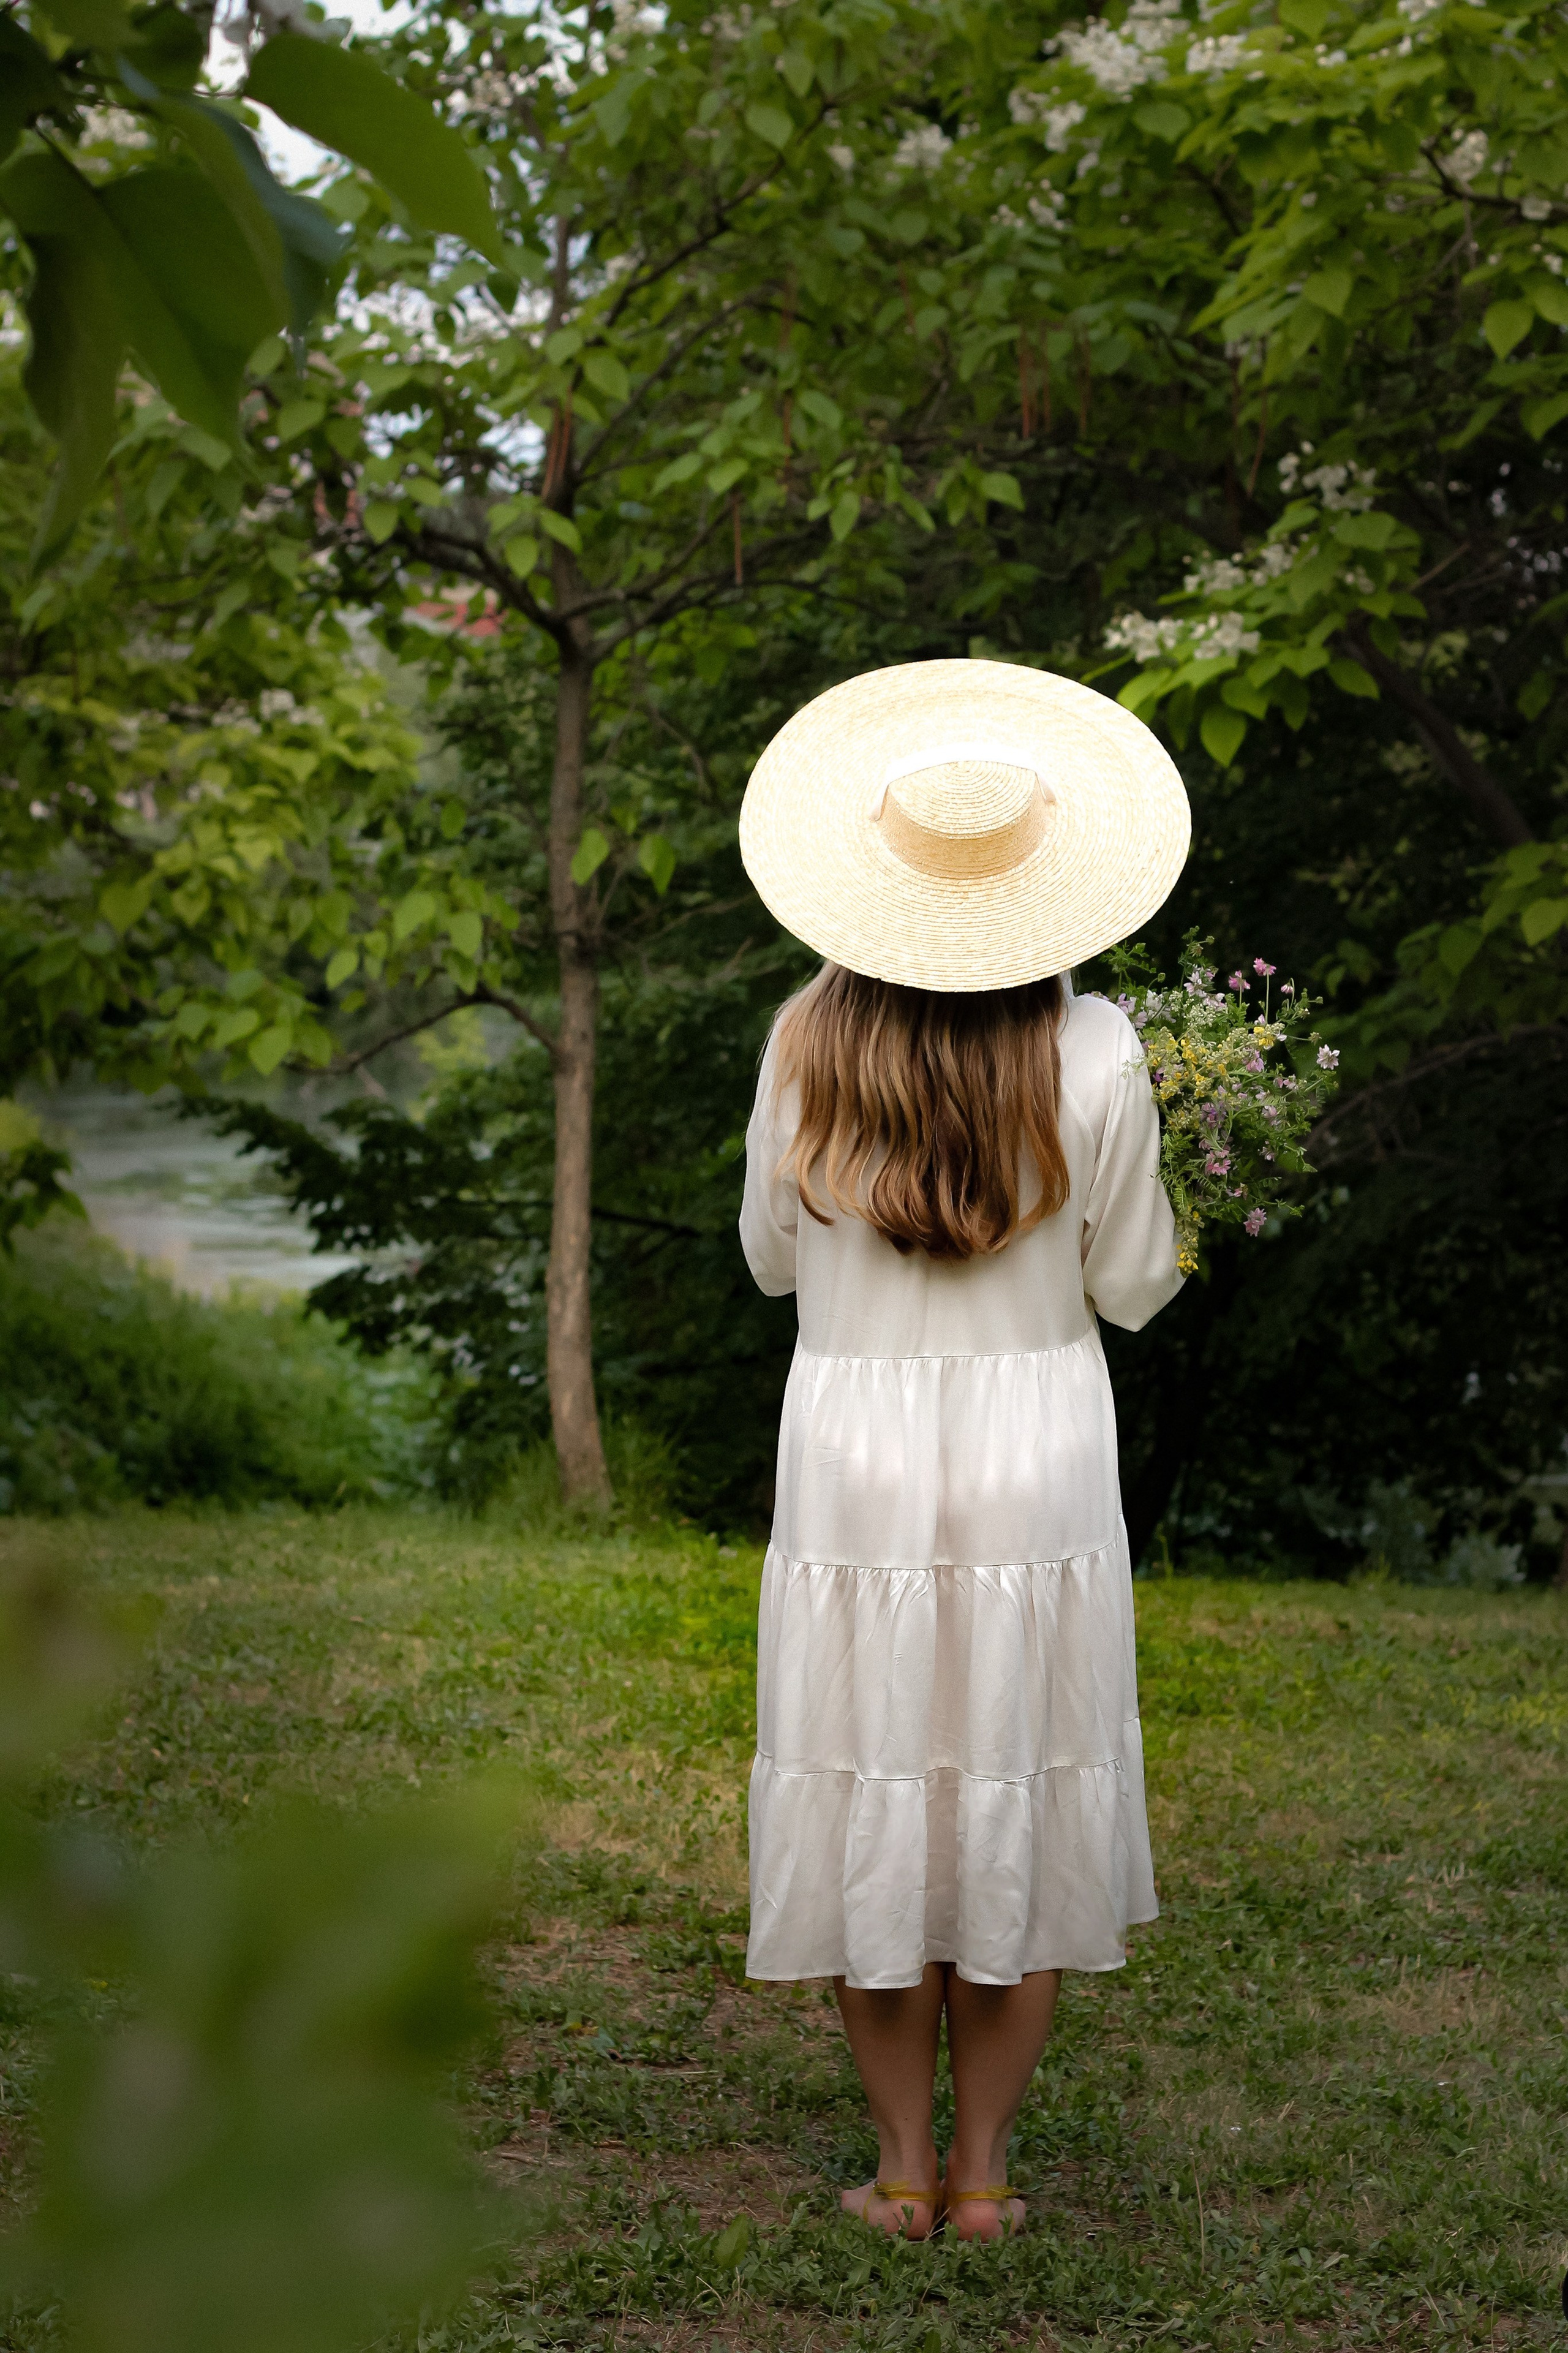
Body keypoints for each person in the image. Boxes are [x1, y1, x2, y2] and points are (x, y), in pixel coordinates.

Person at [734, 658, 1191, 2242]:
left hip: (855, 1441)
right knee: (1019, 1774)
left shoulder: (803, 1040)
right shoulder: (1105, 1051)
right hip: (1035, 1441)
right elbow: (1133, 1284)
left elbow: (772, 1260)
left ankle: (899, 2165)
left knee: (873, 1782)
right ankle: (985, 2174)